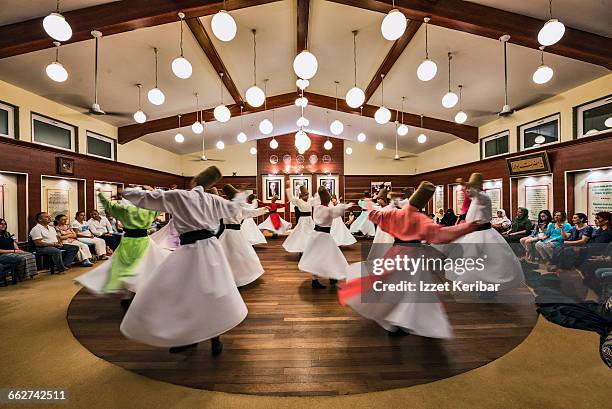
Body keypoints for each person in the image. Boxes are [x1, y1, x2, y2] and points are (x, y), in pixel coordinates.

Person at [119, 166, 248, 356]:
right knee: (213, 291)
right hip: (212, 249)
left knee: (184, 291)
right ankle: (212, 339)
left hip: (191, 249)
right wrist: (239, 195)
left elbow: (146, 198)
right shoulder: (213, 199)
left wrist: (129, 191)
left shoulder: (179, 196)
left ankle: (191, 336)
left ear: (194, 181)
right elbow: (233, 207)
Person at [339, 181, 482, 338]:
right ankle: (407, 321)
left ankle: (396, 320)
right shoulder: (420, 219)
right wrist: (468, 227)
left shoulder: (395, 213)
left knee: (391, 286)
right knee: (413, 291)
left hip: (395, 252)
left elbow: (375, 215)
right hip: (413, 256)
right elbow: (441, 234)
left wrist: (368, 202)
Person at [439, 173, 525, 295]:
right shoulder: (475, 198)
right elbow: (472, 195)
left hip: (483, 234)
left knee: (487, 262)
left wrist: (464, 184)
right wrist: (465, 187)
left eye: (470, 188)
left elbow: (476, 194)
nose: (467, 191)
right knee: (474, 262)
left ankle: (488, 287)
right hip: (475, 233)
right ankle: (480, 285)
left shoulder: (483, 197)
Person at [74, 189, 165, 295]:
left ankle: (128, 292)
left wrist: (100, 193)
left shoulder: (125, 210)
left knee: (124, 266)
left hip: (128, 242)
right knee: (145, 265)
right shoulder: (149, 210)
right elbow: (161, 204)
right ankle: (138, 289)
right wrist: (154, 192)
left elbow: (108, 205)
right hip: (144, 241)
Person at [298, 186, 353, 289]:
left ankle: (317, 280)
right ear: (328, 199)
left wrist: (320, 191)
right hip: (324, 236)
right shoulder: (329, 210)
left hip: (315, 235)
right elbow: (338, 210)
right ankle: (332, 276)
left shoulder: (317, 207)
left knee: (315, 257)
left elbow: (316, 199)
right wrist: (347, 205)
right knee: (330, 256)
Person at [219, 184, 268, 287]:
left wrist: (263, 209)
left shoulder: (234, 206)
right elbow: (249, 212)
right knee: (235, 254)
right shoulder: (226, 205)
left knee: (236, 254)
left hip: (234, 232)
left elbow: (250, 213)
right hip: (230, 233)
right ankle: (234, 277)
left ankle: (237, 276)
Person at [283, 184, 316, 253]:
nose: (306, 196)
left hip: (309, 219)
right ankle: (301, 249)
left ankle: (310, 248)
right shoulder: (298, 201)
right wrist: (288, 188)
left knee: (311, 233)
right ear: (302, 195)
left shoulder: (310, 200)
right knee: (302, 233)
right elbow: (291, 198)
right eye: (305, 195)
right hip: (302, 219)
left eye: (307, 195)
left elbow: (318, 200)